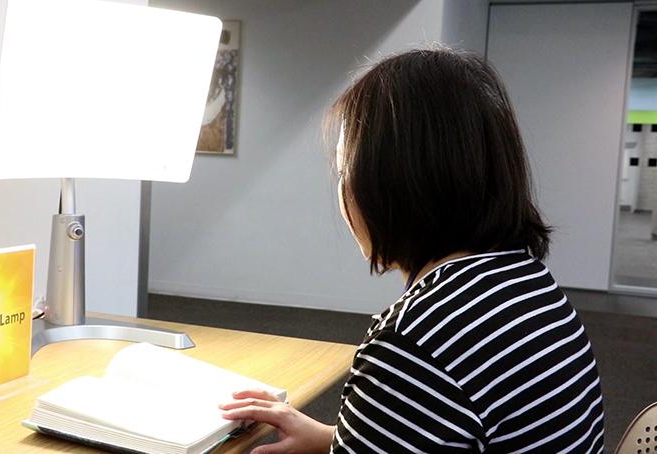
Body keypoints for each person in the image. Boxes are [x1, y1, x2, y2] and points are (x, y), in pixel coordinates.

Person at [219, 49, 604, 453]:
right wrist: (334, 440)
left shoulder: (416, 341)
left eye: (344, 170)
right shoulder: (525, 282)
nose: (342, 191)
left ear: (390, 182)